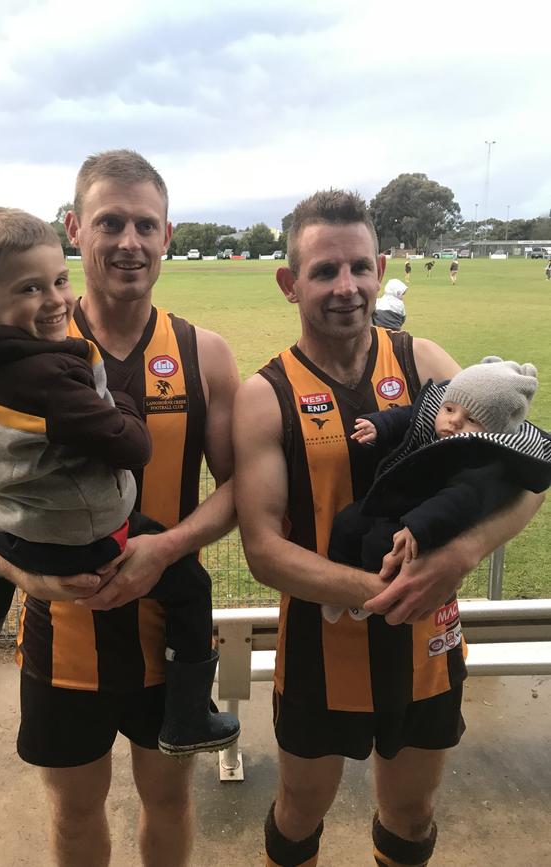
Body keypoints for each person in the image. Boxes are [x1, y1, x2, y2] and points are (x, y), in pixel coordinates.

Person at [0, 150, 241, 867]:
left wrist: (166, 548)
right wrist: (27, 574)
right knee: (74, 815)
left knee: (168, 801)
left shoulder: (205, 353)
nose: (128, 241)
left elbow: (242, 495)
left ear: (169, 234)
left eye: (145, 224)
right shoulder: (16, 353)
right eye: (109, 222)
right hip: (59, 640)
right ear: (76, 228)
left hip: (168, 641)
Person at [232, 189, 543, 867]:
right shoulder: (265, 395)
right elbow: (262, 550)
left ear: (379, 268)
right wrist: (387, 588)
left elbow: (524, 474)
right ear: (291, 283)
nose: (346, 287)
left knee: (411, 812)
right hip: (320, 645)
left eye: (358, 267)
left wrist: (456, 554)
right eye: (324, 271)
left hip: (426, 645)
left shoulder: (427, 365)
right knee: (298, 812)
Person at [322, 356, 550, 625]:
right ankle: (339, 589)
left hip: (425, 520)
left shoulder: (483, 461)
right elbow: (409, 416)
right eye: (450, 409)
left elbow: (462, 499)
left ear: (493, 432)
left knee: (380, 546)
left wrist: (418, 527)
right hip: (392, 499)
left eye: (472, 419)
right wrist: (380, 427)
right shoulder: (437, 416)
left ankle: (379, 597)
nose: (453, 422)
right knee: (347, 522)